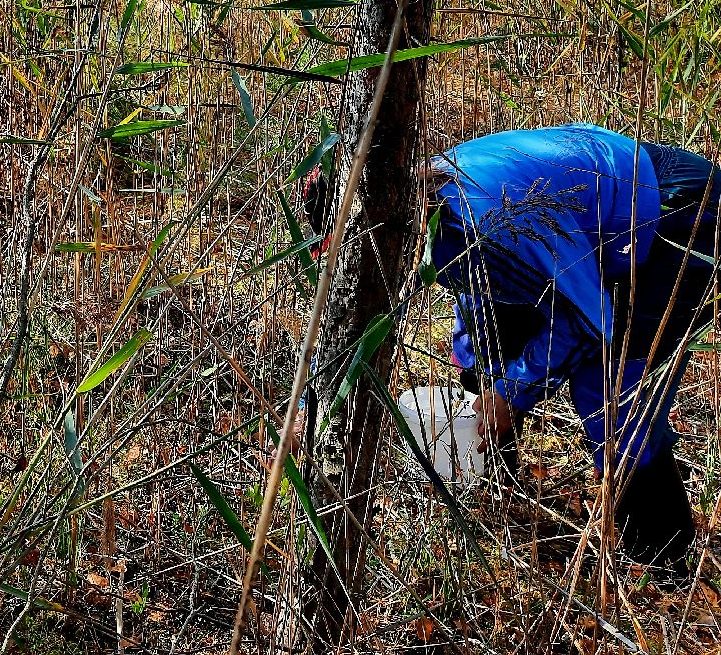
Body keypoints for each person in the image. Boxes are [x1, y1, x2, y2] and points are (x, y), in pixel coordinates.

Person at [305, 123, 719, 570]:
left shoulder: (479, 214)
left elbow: (586, 320)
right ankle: (498, 494)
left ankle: (661, 562)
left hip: (678, 218)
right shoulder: (431, 206)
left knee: (610, 396)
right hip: (603, 227)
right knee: (483, 349)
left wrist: (509, 393)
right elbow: (479, 291)